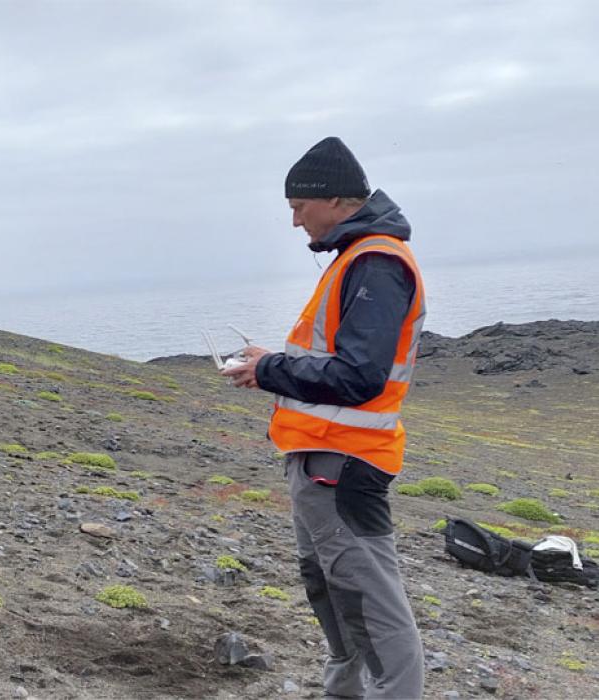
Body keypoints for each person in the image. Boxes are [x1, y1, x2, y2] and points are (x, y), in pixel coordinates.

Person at [221, 136, 426, 699]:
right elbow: (336, 360)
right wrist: (272, 364)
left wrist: (270, 371)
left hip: (343, 461)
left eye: (298, 208)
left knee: (370, 601)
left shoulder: (376, 262)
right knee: (334, 591)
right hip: (320, 458)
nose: (294, 223)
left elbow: (361, 377)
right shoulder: (355, 260)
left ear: (334, 200)